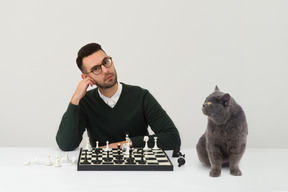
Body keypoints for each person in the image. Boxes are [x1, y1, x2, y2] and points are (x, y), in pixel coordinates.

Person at [56, 43, 181, 151]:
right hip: (100, 171)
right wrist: (75, 98)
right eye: (96, 69)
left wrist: (122, 145)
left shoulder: (141, 96)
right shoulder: (85, 102)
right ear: (86, 77)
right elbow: (66, 145)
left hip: (140, 168)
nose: (106, 70)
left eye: (106, 62)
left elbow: (172, 138)